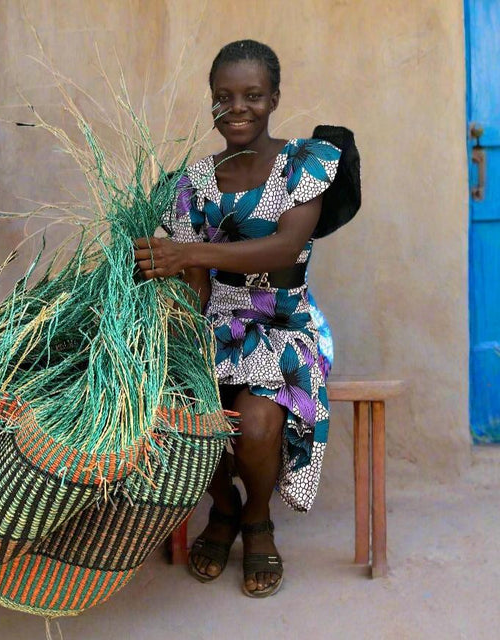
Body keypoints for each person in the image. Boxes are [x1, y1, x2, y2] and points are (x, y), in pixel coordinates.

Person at [135, 39, 359, 598]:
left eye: (253, 95)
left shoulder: (303, 165)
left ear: (275, 98)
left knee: (257, 426)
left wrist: (188, 253)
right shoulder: (194, 184)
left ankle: (257, 519)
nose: (238, 108)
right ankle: (225, 508)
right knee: (185, 413)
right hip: (218, 320)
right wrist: (172, 311)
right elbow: (196, 285)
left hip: (287, 326)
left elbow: (283, 249)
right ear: (211, 102)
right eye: (224, 96)